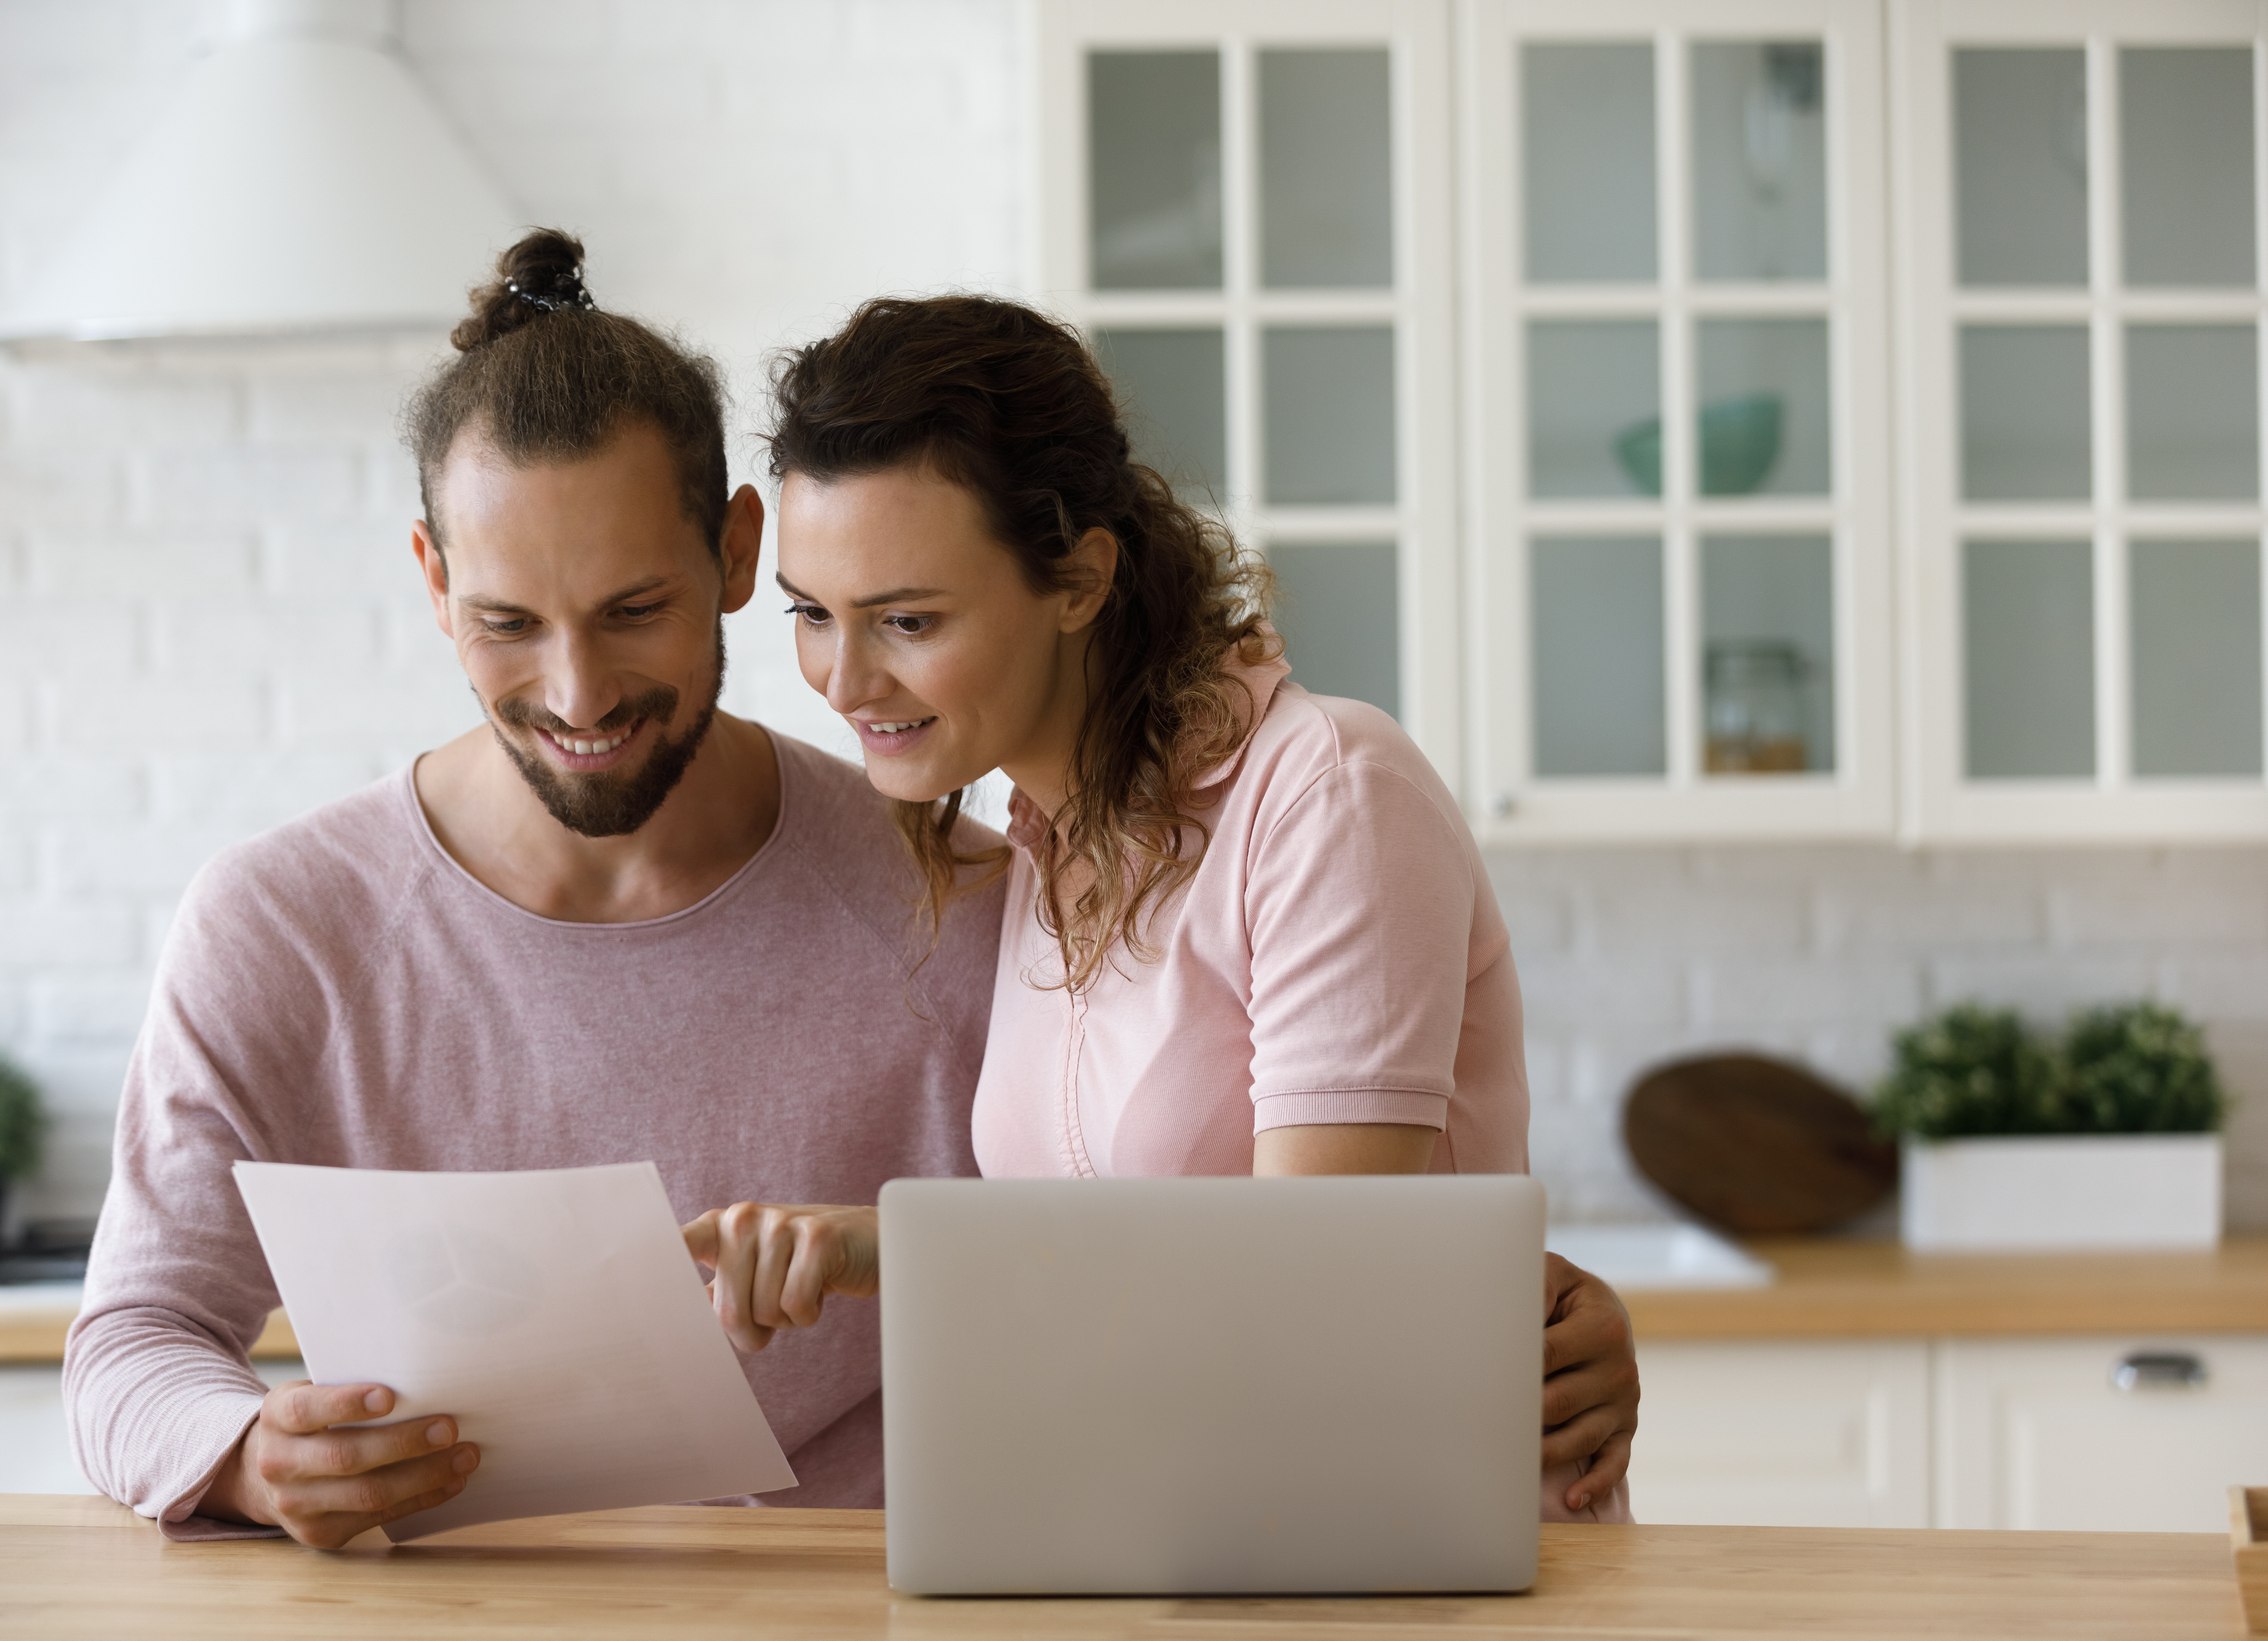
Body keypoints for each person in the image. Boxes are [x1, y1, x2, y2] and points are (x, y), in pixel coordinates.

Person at [63, 232, 1004, 1548]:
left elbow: (1096, 1290)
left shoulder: (956, 899)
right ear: (435, 581)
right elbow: (134, 1341)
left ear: (738, 554)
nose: (577, 695)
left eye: (633, 611)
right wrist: (244, 1457)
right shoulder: (283, 927)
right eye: (507, 624)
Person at [688, 294, 1639, 1521]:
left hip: (1415, 1560)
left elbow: (1319, 1286)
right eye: (813, 615)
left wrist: (896, 1253)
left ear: (1080, 578)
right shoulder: (1036, 853)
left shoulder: (1326, 794)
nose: (845, 680)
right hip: (1185, 1549)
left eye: (909, 621)